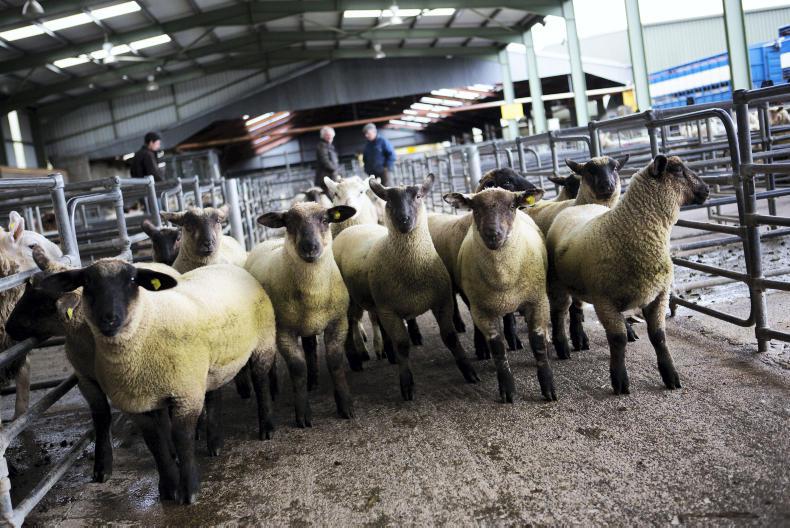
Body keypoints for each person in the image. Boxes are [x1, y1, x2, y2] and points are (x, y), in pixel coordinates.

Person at [315, 126, 339, 192]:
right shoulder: (321, 146)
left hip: (332, 177)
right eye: (327, 135)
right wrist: (335, 169)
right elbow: (325, 161)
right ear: (323, 136)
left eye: (330, 135)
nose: (329, 136)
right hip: (325, 178)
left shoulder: (330, 146)